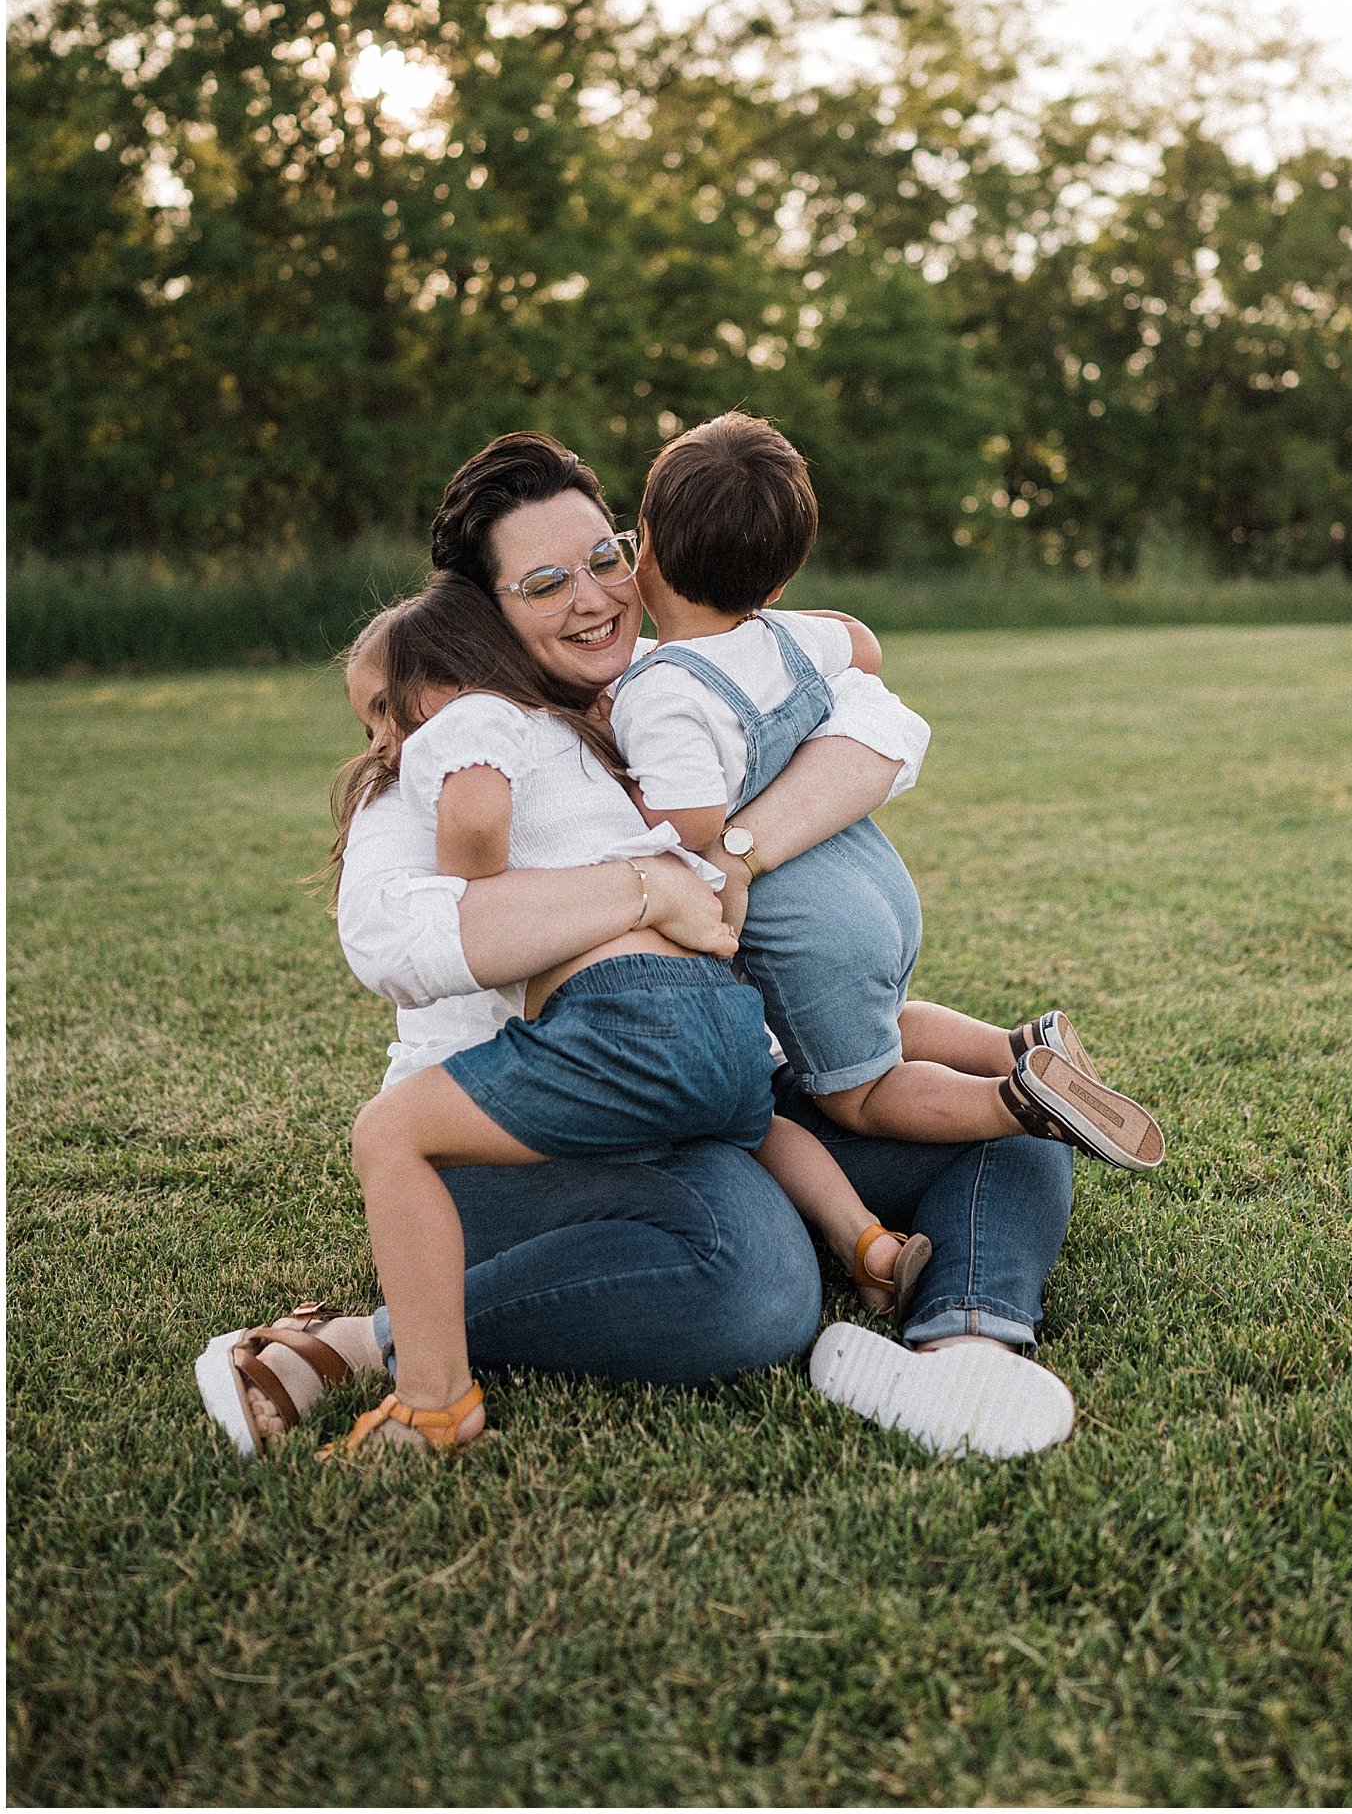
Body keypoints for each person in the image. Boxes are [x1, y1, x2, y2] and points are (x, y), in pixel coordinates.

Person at [196, 433, 1078, 1464]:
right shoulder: (454, 753)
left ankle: (960, 1343)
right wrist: (638, 885)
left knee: (1018, 1127)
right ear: (483, 608)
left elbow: (884, 725)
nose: (592, 597)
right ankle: (355, 1343)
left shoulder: (673, 681)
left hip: (715, 1084)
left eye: (605, 557)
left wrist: (739, 846)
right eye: (542, 581)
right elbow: (395, 937)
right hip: (530, 1133)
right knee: (760, 1289)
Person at [610, 412, 1165, 1172]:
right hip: (876, 885)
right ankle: (1022, 1044)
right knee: (885, 1018)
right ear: (777, 581)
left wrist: (631, 793)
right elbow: (863, 643)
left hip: (807, 928)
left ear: (643, 545)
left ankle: (1016, 1101)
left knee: (864, 1091)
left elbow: (694, 820)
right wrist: (780, 613)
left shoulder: (660, 692)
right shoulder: (787, 638)